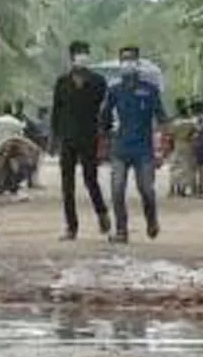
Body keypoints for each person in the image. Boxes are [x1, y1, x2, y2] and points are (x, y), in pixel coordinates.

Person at [100, 47, 166, 243]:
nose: (127, 63)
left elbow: (161, 118)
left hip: (143, 149)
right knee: (117, 189)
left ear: (138, 64)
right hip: (120, 147)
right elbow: (104, 118)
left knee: (146, 189)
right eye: (124, 60)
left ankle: (151, 220)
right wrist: (104, 135)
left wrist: (162, 147)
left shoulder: (150, 91)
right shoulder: (114, 91)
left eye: (131, 60)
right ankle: (121, 230)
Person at [50, 41, 111, 240]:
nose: (82, 56)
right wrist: (54, 137)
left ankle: (101, 213)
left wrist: (104, 133)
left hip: (88, 135)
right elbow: (56, 111)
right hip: (68, 137)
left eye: (85, 53)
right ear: (71, 57)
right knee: (67, 184)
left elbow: (103, 107)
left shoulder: (98, 81)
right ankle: (71, 226)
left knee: (90, 178)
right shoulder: (62, 82)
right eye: (78, 53)